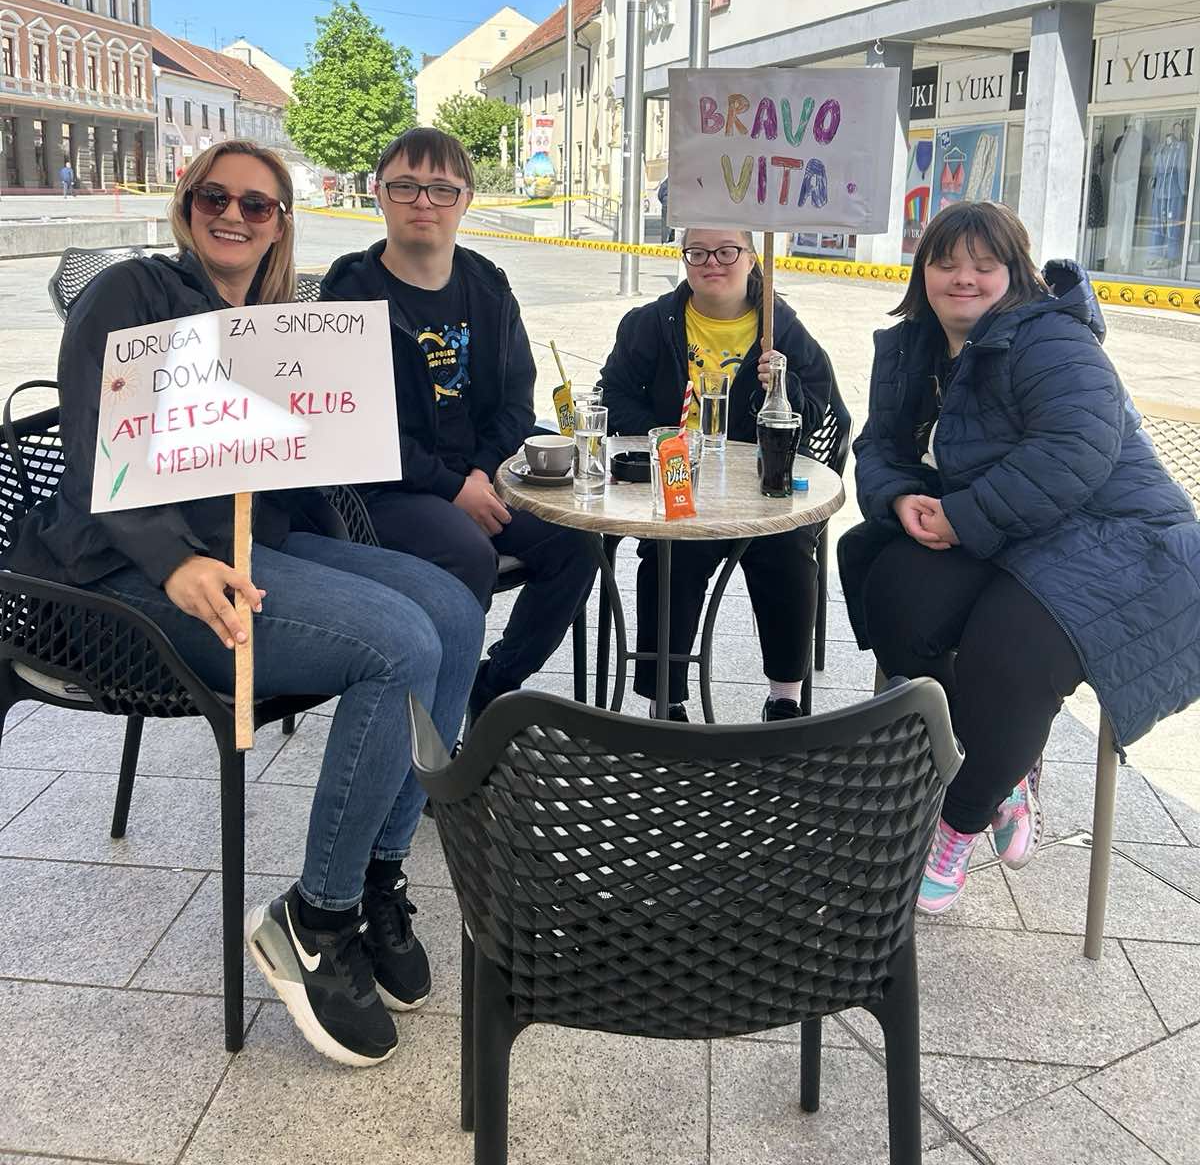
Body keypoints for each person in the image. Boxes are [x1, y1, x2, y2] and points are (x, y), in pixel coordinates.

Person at [4, 140, 485, 1069]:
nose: (235, 214)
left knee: (452, 608)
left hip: (253, 544)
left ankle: (382, 874)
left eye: (257, 205)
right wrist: (172, 560)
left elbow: (295, 457)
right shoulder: (130, 295)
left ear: (279, 224)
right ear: (187, 207)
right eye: (216, 197)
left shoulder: (273, 320)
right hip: (122, 578)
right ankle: (316, 917)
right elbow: (94, 448)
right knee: (396, 644)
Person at [839, 201, 1200, 915]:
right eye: (946, 262)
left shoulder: (1051, 340)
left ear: (1016, 274)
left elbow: (1077, 449)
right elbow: (879, 445)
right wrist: (901, 499)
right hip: (1011, 528)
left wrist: (963, 517)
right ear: (923, 271)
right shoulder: (914, 345)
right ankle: (1000, 762)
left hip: (1118, 538)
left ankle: (957, 822)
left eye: (983, 264)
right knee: (890, 585)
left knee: (1007, 653)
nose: (962, 279)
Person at [321, 127, 597, 719]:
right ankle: (434, 726)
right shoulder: (350, 293)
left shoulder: (487, 286)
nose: (424, 202)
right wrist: (451, 489)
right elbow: (351, 425)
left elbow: (518, 402)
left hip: (479, 476)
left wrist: (481, 474)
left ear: (466, 199)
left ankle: (489, 685)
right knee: (467, 554)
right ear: (378, 194)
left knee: (577, 539)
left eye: (441, 189)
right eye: (406, 187)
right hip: (382, 489)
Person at [599, 227, 833, 720]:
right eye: (698, 252)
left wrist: (781, 390)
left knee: (787, 547)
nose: (713, 262)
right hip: (678, 472)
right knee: (671, 555)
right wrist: (665, 437)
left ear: (751, 258)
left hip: (759, 477)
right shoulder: (651, 323)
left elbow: (820, 411)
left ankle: (784, 698)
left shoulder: (780, 327)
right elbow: (614, 391)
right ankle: (667, 697)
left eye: (728, 251)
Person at [657, 175, 671, 242]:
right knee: (676, 225)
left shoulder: (669, 179)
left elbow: (660, 194)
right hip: (676, 204)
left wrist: (664, 202)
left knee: (665, 226)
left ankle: (664, 243)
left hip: (666, 203)